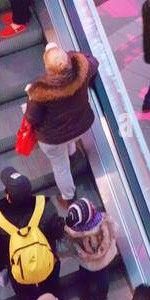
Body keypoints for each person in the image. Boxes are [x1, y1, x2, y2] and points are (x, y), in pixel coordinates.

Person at [0, 168, 64, 300]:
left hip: (20, 271)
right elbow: (57, 231)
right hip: (48, 264)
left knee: (25, 297)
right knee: (52, 290)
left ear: (8, 195)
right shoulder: (45, 206)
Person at [23, 44, 98, 207]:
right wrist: (70, 55)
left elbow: (32, 118)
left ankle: (68, 197)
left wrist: (30, 95)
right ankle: (71, 151)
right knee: (68, 138)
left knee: (60, 166)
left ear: (47, 68)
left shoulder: (39, 92)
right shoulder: (82, 71)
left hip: (53, 138)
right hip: (80, 125)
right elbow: (94, 62)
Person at [62, 198, 120, 300]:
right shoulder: (105, 223)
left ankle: (85, 299)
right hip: (103, 262)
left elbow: (69, 248)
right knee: (103, 280)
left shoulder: (75, 235)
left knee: (83, 279)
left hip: (86, 263)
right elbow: (115, 229)